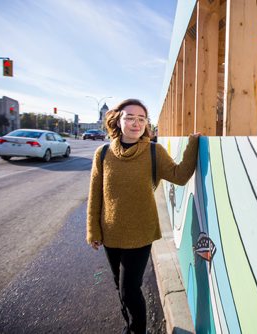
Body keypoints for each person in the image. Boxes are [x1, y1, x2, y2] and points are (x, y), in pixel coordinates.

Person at [86, 98, 200, 334]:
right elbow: (95, 194)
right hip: (110, 233)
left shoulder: (153, 151)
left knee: (129, 289)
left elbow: (179, 175)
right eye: (130, 117)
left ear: (146, 124)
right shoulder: (103, 153)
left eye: (141, 119)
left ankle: (137, 331)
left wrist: (193, 144)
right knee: (120, 287)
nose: (136, 123)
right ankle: (129, 326)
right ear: (118, 119)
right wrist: (93, 230)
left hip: (141, 232)